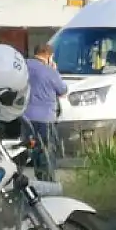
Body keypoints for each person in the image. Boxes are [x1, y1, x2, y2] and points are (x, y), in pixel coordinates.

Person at [24, 42, 70, 175]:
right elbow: (63, 90)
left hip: (26, 118)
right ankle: (47, 182)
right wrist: (55, 71)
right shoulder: (49, 71)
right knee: (47, 154)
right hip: (45, 119)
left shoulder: (25, 66)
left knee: (31, 152)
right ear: (48, 56)